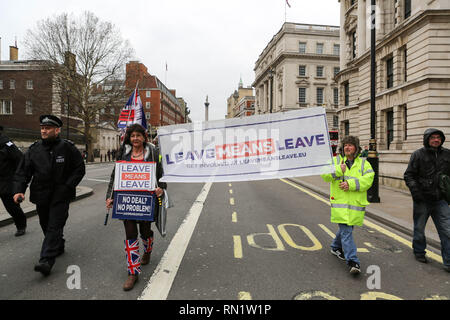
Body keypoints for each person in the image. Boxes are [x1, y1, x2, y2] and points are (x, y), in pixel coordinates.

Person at [13, 115, 86, 276]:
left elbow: (79, 168)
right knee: (46, 225)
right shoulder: (34, 149)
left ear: (57, 130)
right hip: (41, 195)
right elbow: (23, 172)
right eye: (42, 128)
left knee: (54, 226)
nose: (44, 131)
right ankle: (58, 244)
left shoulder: (67, 147)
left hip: (61, 195)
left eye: (47, 128)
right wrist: (19, 189)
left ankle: (46, 260)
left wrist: (68, 186)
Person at [106, 124, 166, 291]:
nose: (135, 139)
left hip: (146, 202)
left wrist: (161, 188)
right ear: (129, 137)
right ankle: (133, 272)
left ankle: (147, 250)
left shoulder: (153, 153)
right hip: (126, 201)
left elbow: (161, 175)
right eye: (132, 136)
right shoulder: (123, 154)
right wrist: (110, 197)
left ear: (144, 137)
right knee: (130, 234)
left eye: (138, 135)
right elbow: (114, 177)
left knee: (145, 232)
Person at [321, 136, 375, 275]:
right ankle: (353, 261)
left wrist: (350, 184)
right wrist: (339, 170)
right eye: (345, 145)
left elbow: (369, 180)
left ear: (356, 148)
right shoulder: (336, 161)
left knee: (347, 229)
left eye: (350, 145)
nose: (347, 147)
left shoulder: (364, 164)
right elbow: (324, 175)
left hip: (355, 205)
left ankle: (335, 247)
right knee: (346, 232)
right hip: (340, 205)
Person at [404, 128, 450, 272]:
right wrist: (416, 193)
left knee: (447, 231)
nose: (436, 140)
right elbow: (409, 175)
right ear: (427, 139)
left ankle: (448, 262)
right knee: (419, 228)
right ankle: (419, 251)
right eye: (433, 137)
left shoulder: (448, 154)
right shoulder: (418, 154)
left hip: (440, 200)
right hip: (422, 199)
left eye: (438, 137)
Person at [0, 126, 27, 236]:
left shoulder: (7, 144)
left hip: (6, 181)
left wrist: (17, 177)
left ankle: (21, 225)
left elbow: (20, 159)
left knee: (11, 206)